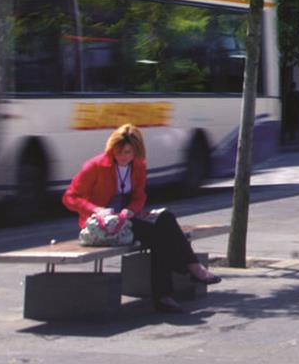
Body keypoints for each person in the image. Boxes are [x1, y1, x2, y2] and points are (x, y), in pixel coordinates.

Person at [64, 124, 218, 314]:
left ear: (136, 151)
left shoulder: (138, 166)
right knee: (161, 233)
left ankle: (167, 293)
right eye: (118, 151)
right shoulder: (95, 166)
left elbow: (139, 197)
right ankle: (188, 271)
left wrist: (131, 210)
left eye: (128, 152)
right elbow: (70, 197)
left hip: (126, 221)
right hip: (102, 227)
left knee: (165, 222)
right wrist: (96, 209)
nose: (122, 156)